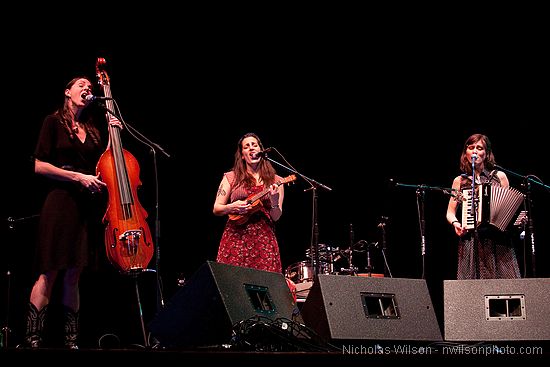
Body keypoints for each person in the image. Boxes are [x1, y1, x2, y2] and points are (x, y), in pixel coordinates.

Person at [24, 76, 119, 349]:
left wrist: (114, 135)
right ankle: (33, 337)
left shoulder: (91, 129)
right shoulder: (52, 122)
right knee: (50, 270)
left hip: (84, 209)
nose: (87, 89)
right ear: (67, 92)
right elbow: (39, 165)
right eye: (81, 85)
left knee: (75, 273)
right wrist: (77, 177)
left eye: (90, 87)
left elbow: (104, 166)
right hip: (59, 203)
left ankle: (71, 340)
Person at [446, 133, 521, 279]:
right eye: (471, 147)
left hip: (498, 240)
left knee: (504, 286)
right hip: (472, 240)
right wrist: (456, 224)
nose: (474, 151)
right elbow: (450, 212)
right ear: (465, 153)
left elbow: (508, 207)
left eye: (479, 148)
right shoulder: (460, 181)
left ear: (486, 154)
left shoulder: (499, 176)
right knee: (472, 289)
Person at [213, 132, 285, 273]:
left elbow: (276, 216)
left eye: (255, 145)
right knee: (232, 282)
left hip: (264, 240)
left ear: (261, 150)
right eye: (246, 146)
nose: (251, 148)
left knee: (264, 283)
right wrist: (231, 207)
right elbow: (216, 208)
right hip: (235, 237)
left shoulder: (276, 180)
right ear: (242, 154)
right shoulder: (231, 177)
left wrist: (275, 200)